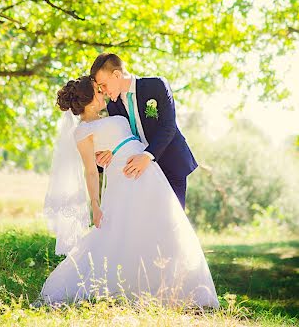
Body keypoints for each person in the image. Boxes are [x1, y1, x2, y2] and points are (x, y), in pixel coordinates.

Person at [40, 76, 219, 308]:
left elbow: (122, 141)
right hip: (125, 178)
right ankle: (135, 286)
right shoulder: (82, 132)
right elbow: (91, 172)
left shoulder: (110, 114)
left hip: (149, 172)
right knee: (127, 229)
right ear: (90, 99)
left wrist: (113, 153)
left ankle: (175, 287)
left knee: (164, 224)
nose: (104, 93)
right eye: (98, 91)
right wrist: (95, 204)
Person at [90, 53, 197, 209]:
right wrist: (104, 160)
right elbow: (121, 140)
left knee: (172, 221)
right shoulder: (113, 106)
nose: (103, 91)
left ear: (117, 75)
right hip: (141, 175)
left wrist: (147, 156)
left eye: (104, 85)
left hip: (171, 165)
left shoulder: (156, 85)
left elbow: (168, 126)